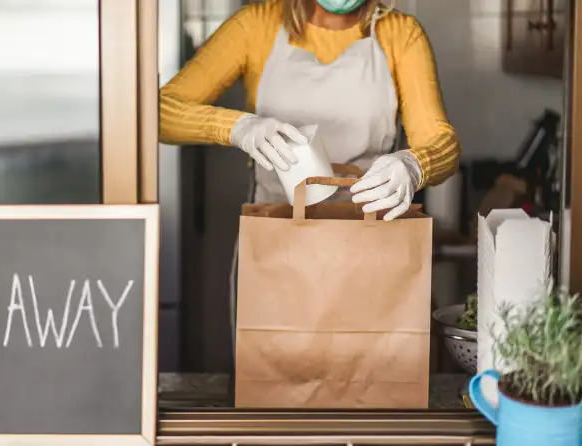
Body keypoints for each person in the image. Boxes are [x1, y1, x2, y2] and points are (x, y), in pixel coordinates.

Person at [159, 0, 460, 347]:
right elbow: (159, 114)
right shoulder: (257, 24)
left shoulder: (399, 33)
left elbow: (439, 140)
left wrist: (415, 164)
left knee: (369, 380)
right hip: (276, 237)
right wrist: (238, 127)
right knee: (273, 377)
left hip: (368, 238)